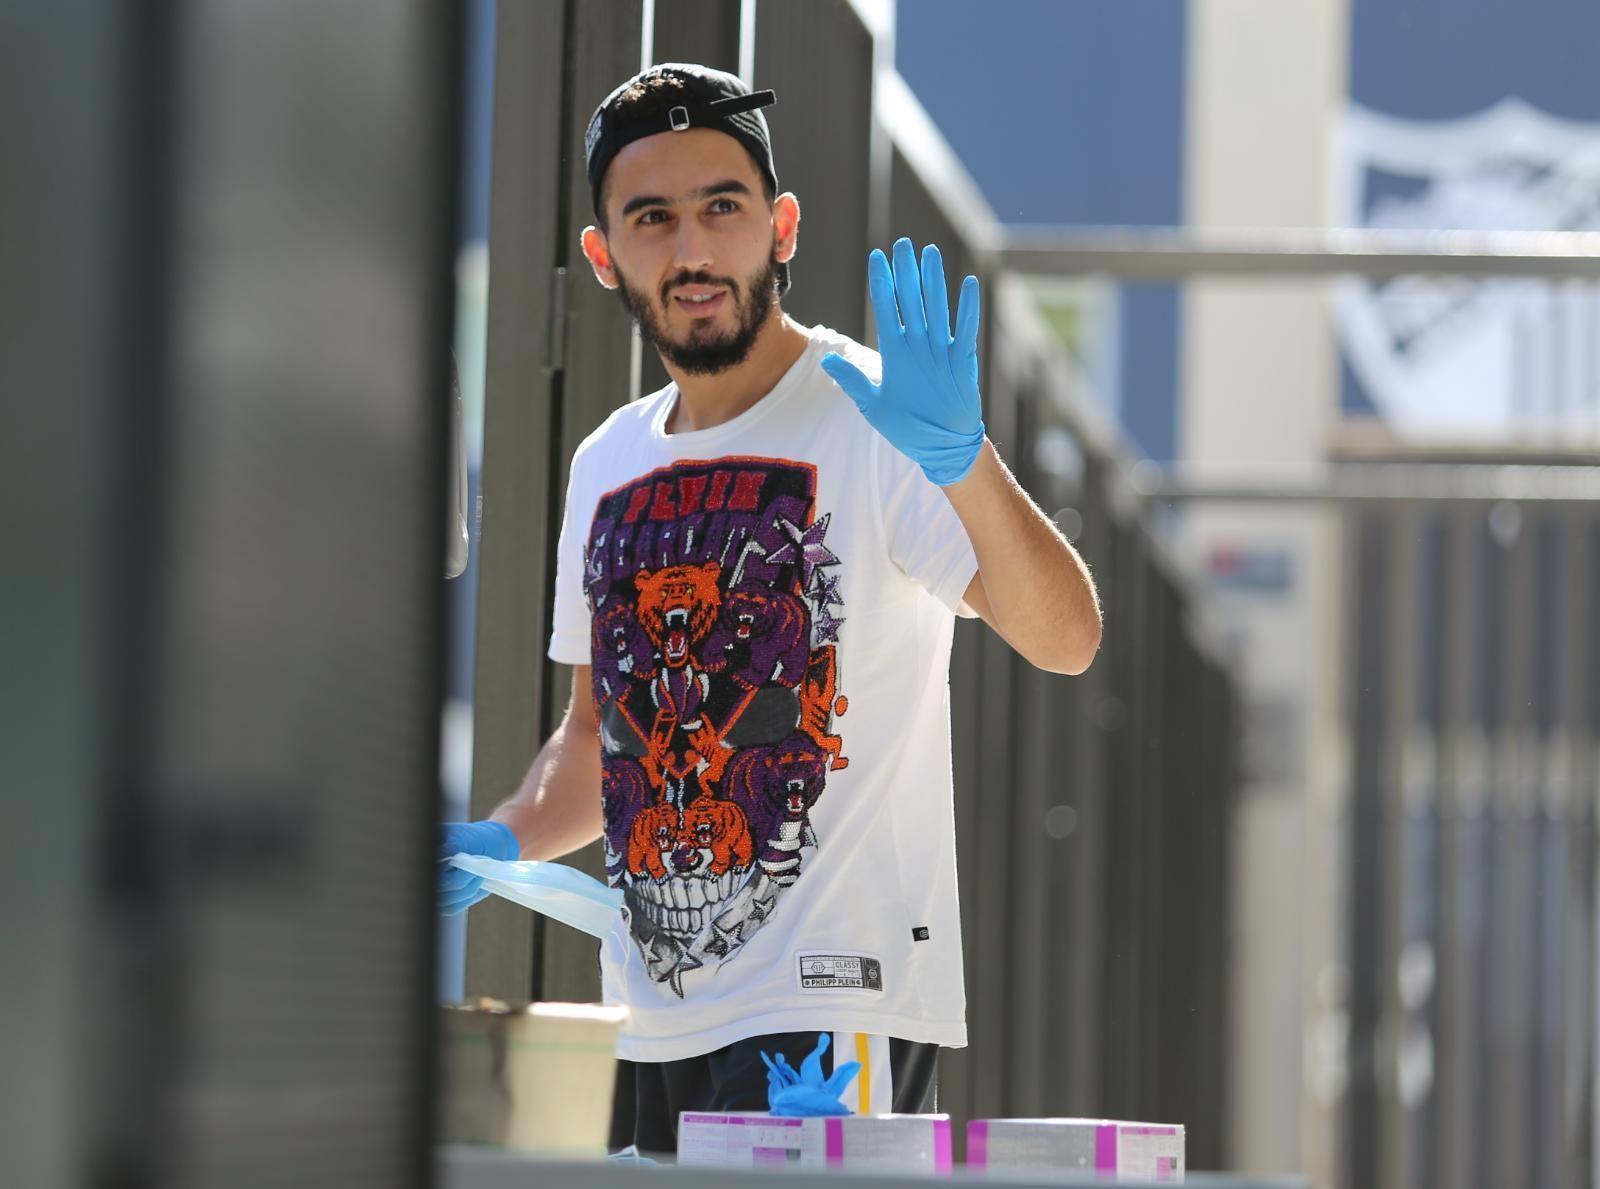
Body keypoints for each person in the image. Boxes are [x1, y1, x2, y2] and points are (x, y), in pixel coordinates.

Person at [438, 63, 1101, 1153]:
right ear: (604, 256)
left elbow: (1067, 637)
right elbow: (601, 736)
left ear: (780, 227)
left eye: (722, 207)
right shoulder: (604, 461)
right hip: (648, 1021)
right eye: (652, 218)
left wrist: (964, 460)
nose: (692, 248)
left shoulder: (873, 415)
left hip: (832, 1014)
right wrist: (503, 838)